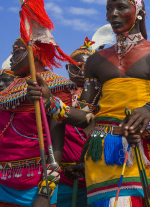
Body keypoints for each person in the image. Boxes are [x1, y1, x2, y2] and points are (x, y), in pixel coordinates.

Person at [27, 0, 150, 206]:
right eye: (109, 9)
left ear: (139, 12)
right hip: (100, 152)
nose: (113, 14)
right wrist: (50, 101)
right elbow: (85, 115)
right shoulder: (96, 61)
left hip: (139, 147)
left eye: (121, 8)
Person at [0, 38, 76, 207]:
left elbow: (56, 144)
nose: (11, 58)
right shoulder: (7, 93)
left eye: (16, 52)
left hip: (36, 184)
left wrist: (46, 191)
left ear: (33, 53)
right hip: (2, 182)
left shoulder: (56, 86)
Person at [55, 38, 94, 207]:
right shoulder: (57, 95)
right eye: (75, 66)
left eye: (85, 67)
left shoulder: (104, 95)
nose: (80, 71)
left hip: (96, 172)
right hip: (64, 176)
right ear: (66, 68)